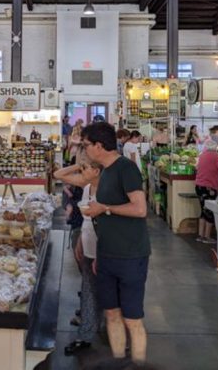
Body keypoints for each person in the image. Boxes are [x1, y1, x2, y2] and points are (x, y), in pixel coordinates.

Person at [80, 122, 151, 365]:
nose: (84, 149)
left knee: (132, 318)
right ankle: (119, 358)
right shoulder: (105, 171)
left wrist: (105, 208)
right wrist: (100, 254)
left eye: (86, 145)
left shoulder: (126, 169)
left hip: (131, 254)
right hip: (108, 254)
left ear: (99, 146)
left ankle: (138, 362)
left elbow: (140, 209)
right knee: (111, 313)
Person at [54, 157, 104, 356]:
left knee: (103, 290)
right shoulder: (86, 187)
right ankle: (86, 333)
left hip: (104, 247)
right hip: (88, 242)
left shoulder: (107, 190)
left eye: (86, 168)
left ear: (98, 171)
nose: (82, 171)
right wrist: (81, 242)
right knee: (89, 287)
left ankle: (115, 333)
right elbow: (57, 175)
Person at [195, 140, 218, 244]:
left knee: (203, 210)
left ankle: (200, 235)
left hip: (199, 186)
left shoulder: (202, 155)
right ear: (215, 148)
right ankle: (207, 237)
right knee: (210, 211)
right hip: (209, 187)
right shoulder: (215, 156)